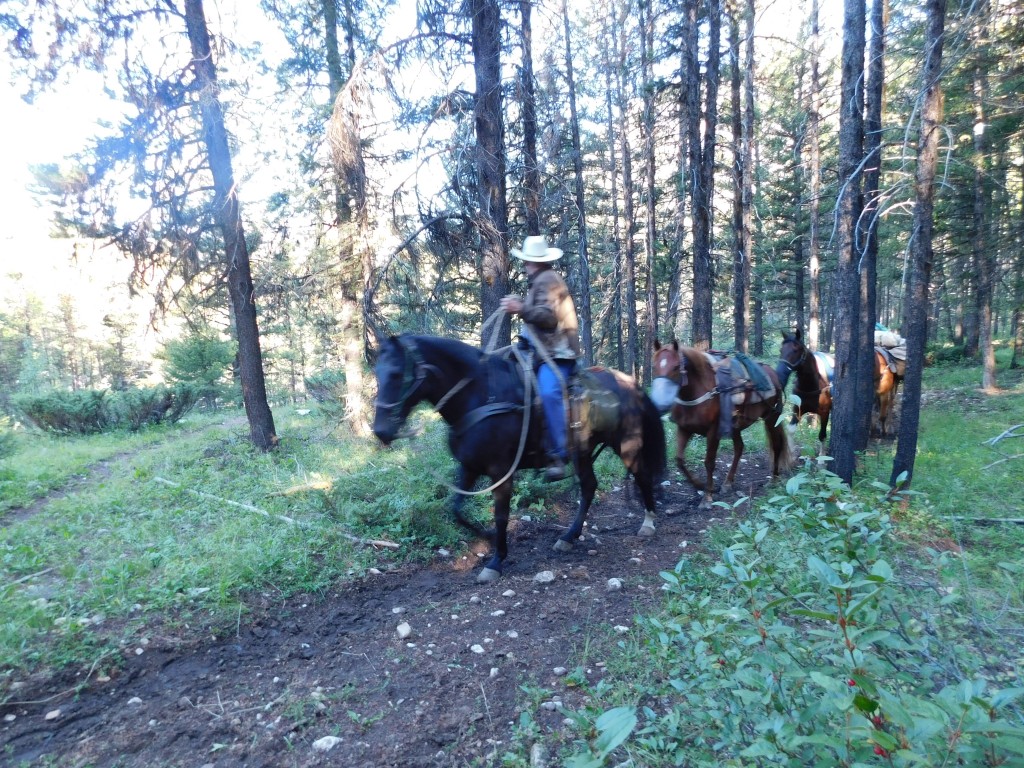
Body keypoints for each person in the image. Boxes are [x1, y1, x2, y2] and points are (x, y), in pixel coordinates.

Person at [500, 235, 581, 482]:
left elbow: (548, 319)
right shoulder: (539, 281)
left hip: (558, 353)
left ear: (534, 262)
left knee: (548, 392)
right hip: (541, 352)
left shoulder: (548, 280)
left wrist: (520, 308)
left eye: (527, 261)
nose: (524, 265)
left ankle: (557, 453)